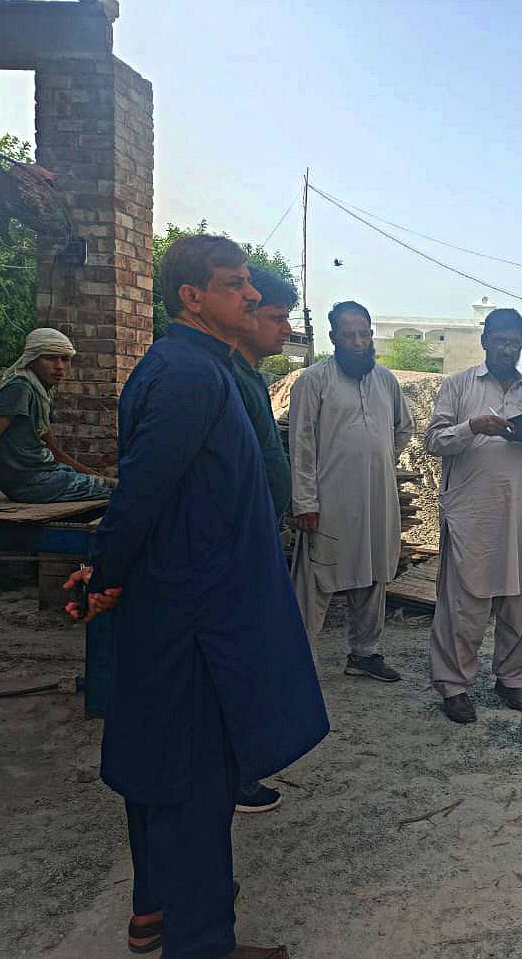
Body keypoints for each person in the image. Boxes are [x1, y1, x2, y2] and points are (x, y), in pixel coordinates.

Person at [68, 234, 329, 959]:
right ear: (192, 297)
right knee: (194, 779)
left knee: (159, 762)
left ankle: (154, 911)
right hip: (195, 613)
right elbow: (143, 490)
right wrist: (105, 571)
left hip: (188, 599)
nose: (251, 294)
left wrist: (107, 571)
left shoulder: (202, 367)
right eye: (235, 284)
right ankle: (202, 942)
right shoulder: (187, 374)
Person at [424, 307, 522, 723]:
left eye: (515, 343)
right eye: (501, 341)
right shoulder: (458, 386)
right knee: (464, 603)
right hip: (473, 514)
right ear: (485, 341)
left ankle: (512, 679)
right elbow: (434, 441)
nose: (508, 350)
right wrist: (473, 427)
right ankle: (454, 686)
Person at [289, 300, 414, 683]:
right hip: (329, 502)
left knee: (374, 573)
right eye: (349, 336)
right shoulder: (313, 380)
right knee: (317, 579)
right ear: (333, 338)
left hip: (378, 499)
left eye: (364, 335)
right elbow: (301, 445)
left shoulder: (386, 381)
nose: (359, 343)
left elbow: (404, 428)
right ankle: (296, 664)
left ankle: (365, 653)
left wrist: (377, 461)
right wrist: (305, 502)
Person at [0, 328, 115, 531]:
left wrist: (95, 476)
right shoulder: (19, 389)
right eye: (49, 358)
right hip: (32, 484)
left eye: (65, 359)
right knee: (127, 492)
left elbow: (52, 450)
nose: (59, 366)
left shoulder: (41, 392)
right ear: (31, 360)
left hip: (48, 476)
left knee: (115, 485)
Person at [228, 265, 297, 816]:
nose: (285, 329)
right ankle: (232, 774)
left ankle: (240, 766)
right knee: (237, 662)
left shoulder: (249, 376)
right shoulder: (220, 376)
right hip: (236, 544)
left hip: (257, 534)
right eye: (275, 317)